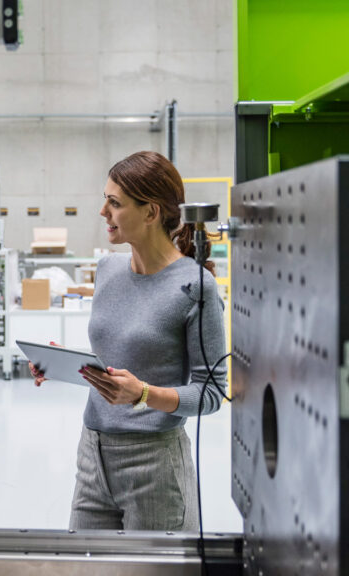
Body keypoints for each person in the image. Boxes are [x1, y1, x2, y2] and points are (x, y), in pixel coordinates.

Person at [31, 150, 227, 531]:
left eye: (114, 203)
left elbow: (212, 393)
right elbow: (119, 356)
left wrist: (144, 395)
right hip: (92, 454)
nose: (103, 212)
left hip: (154, 462)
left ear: (151, 212)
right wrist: (61, 363)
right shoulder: (107, 270)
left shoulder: (195, 287)